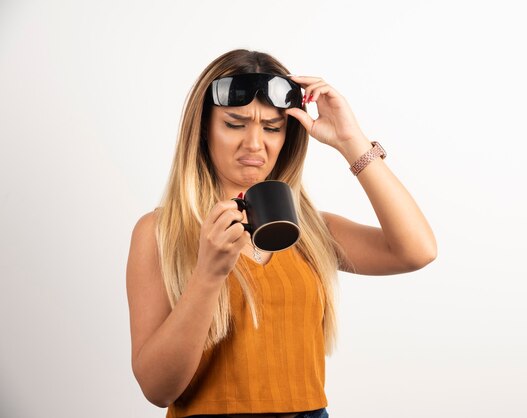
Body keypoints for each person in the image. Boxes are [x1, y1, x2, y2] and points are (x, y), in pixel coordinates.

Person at [126, 49, 437, 418]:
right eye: (235, 124)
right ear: (204, 129)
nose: (255, 144)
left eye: (272, 128)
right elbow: (157, 390)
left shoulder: (309, 230)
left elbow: (417, 251)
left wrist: (350, 140)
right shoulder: (161, 232)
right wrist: (208, 274)